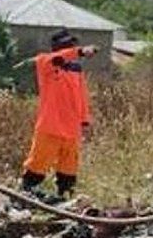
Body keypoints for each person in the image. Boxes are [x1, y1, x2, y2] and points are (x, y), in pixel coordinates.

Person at [20, 29, 97, 200]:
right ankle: (25, 194)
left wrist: (84, 121)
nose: (71, 47)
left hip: (72, 129)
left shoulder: (76, 69)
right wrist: (80, 51)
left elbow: (81, 96)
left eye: (72, 44)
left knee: (68, 169)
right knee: (38, 164)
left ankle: (65, 198)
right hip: (50, 126)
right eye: (68, 45)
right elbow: (60, 57)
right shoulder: (45, 62)